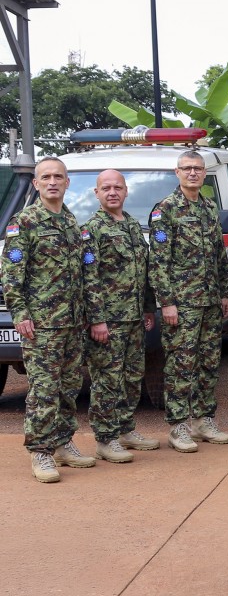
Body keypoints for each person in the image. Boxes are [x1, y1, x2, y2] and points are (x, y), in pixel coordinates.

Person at [3, 157, 93, 482]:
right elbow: (11, 274)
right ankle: (40, 452)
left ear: (67, 182)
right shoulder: (24, 222)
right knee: (43, 389)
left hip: (72, 322)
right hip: (41, 324)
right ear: (36, 184)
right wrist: (20, 314)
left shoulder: (73, 224)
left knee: (69, 387)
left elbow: (83, 273)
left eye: (58, 176)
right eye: (46, 177)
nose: (53, 181)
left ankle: (63, 442)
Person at [149, 151, 228, 453]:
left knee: (209, 363)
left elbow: (218, 256)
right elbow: (158, 261)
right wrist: (167, 302)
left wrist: (225, 293)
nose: (193, 173)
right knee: (181, 365)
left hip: (210, 301)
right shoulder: (166, 210)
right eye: (188, 168)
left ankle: (203, 420)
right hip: (182, 304)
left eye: (198, 168)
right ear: (178, 172)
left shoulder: (210, 208)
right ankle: (178, 426)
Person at [82, 169, 159, 463]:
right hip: (109, 321)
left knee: (131, 377)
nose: (112, 192)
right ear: (97, 193)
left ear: (126, 192)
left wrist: (149, 307)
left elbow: (144, 272)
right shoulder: (92, 229)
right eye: (106, 188)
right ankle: (105, 438)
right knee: (107, 379)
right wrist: (97, 319)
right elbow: (89, 277)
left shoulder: (131, 226)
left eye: (118, 187)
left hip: (134, 318)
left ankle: (125, 428)